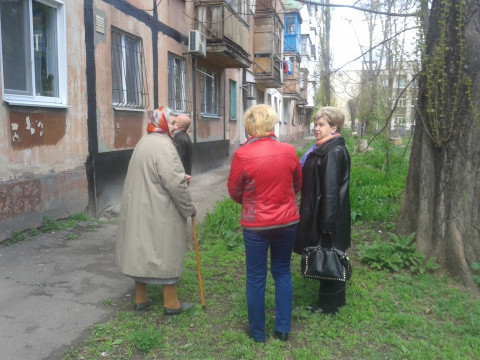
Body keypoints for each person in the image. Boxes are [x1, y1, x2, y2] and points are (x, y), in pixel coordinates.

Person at [227, 104, 302, 343]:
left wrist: (250, 201)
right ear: (271, 124)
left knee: (256, 276)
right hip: (287, 221)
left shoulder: (242, 154)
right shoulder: (289, 150)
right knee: (282, 271)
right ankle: (282, 329)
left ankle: (258, 333)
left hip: (256, 225)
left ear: (249, 126)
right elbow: (297, 184)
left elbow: (234, 191)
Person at [116, 106, 197, 315]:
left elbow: (152, 174)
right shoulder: (164, 146)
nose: (174, 128)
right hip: (160, 208)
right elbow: (175, 184)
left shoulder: (143, 142)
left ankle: (141, 299)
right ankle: (171, 304)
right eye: (170, 123)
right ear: (160, 123)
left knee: (140, 250)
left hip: (141, 206)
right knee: (166, 250)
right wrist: (189, 208)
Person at [294, 106, 351, 315]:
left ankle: (328, 306)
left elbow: (330, 190)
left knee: (328, 256)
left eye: (321, 125)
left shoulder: (333, 151)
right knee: (328, 255)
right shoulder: (324, 148)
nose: (316, 128)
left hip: (326, 215)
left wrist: (327, 223)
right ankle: (335, 301)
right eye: (315, 124)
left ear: (334, 127)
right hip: (320, 212)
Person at [169, 114, 193, 184]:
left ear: (179, 125)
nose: (172, 123)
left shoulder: (179, 139)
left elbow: (177, 160)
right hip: (184, 176)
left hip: (180, 179)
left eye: (174, 122)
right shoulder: (184, 136)